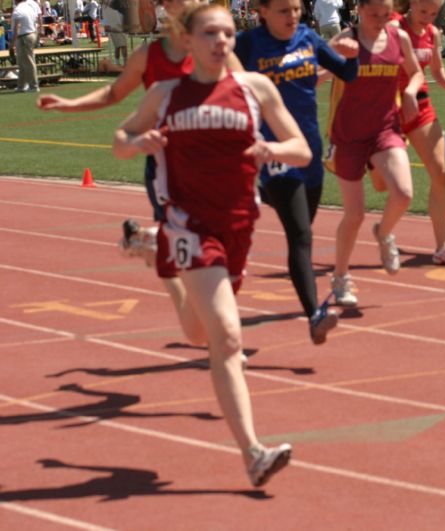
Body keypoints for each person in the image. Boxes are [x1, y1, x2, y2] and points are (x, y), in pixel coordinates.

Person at [113, 2, 311, 487]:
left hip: (239, 223)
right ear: (189, 38)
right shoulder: (165, 94)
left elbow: (301, 148)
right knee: (225, 336)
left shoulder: (254, 89)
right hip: (188, 223)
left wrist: (273, 149)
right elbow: (121, 137)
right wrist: (137, 144)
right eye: (211, 34)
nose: (222, 41)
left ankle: (150, 252)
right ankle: (254, 453)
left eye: (228, 33)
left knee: (198, 334)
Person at [37, 0, 240, 351]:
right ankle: (219, 334)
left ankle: (153, 249)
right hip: (166, 168)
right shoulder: (149, 56)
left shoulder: (216, 47)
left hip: (213, 167)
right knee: (189, 257)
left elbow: (245, 94)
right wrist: (70, 104)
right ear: (166, 6)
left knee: (215, 252)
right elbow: (115, 93)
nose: (188, 3)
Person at [234, 0, 360, 343]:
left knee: (303, 220)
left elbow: (348, 73)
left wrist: (352, 53)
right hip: (272, 150)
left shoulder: (308, 38)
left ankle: (254, 193)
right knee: (301, 235)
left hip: (308, 150)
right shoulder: (247, 45)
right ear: (261, 10)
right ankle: (314, 314)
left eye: (295, 9)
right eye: (282, 11)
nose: (292, 17)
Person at [324, 0, 424, 306]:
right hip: (349, 136)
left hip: (385, 129)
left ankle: (384, 232)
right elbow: (316, 73)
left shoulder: (398, 37)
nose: (381, 20)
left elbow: (416, 72)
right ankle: (340, 278)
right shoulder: (345, 41)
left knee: (404, 193)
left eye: (386, 14)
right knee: (354, 215)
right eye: (373, 14)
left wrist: (409, 92)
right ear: (359, 9)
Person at [389, 0, 445, 266]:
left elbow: (436, 70)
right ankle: (383, 231)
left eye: (433, 14)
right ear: (412, 4)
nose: (428, 18)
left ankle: (442, 247)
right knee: (382, 183)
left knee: (440, 172)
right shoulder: (393, 27)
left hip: (420, 105)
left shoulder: (432, 33)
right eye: (423, 12)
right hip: (389, 108)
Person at [11, 0, 39, 93]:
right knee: (22, 62)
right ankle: (21, 86)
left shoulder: (17, 10)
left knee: (28, 62)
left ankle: (34, 86)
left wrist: (12, 44)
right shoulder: (29, 7)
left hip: (23, 37)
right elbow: (36, 19)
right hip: (32, 34)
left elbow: (17, 28)